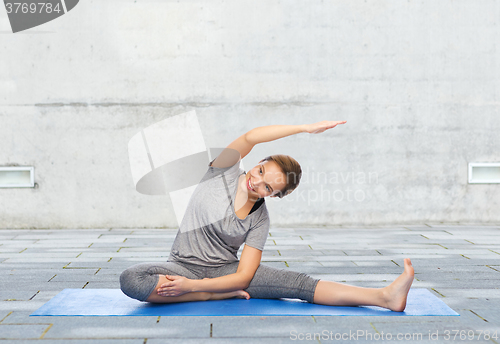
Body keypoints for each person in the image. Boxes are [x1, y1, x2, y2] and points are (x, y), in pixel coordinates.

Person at [120, 120, 414, 312]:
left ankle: (384, 297)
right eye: (260, 171)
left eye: (268, 186)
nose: (256, 182)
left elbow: (245, 275)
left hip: (227, 274)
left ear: (273, 195)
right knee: (132, 280)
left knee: (298, 284)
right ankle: (212, 296)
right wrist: (303, 128)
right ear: (258, 162)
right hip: (182, 265)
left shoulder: (259, 219)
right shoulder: (221, 171)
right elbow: (251, 136)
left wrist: (193, 287)